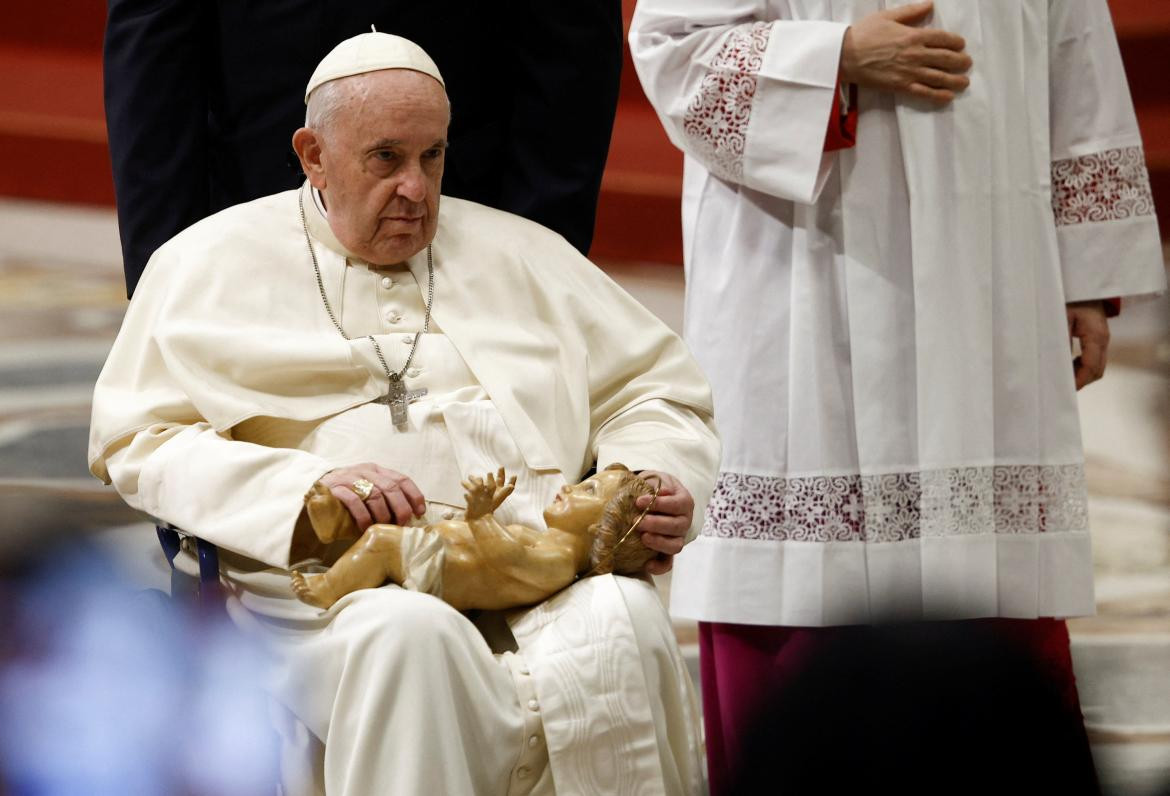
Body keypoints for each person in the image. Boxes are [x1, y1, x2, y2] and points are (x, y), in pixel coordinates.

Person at [89, 33, 719, 795]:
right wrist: (303, 492)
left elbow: (655, 389)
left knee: (624, 615)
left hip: (533, 566)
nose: (417, 190)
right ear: (313, 154)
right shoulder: (204, 264)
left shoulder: (523, 253)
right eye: (386, 158)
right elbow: (138, 439)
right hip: (328, 592)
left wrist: (644, 477)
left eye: (433, 157)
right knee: (410, 635)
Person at [630, 0, 1166, 791]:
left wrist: (1085, 276)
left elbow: (1073, 49)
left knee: (992, 587)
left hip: (988, 265)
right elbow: (674, 49)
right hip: (807, 263)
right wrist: (833, 58)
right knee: (803, 582)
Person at [103, 1, 624, 297]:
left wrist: (539, 266)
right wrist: (162, 275)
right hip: (255, 197)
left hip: (468, 213)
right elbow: (152, 43)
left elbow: (570, 50)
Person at [291, 465, 660, 611]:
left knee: (381, 541)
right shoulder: (549, 541)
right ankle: (334, 525)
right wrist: (482, 517)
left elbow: (510, 561)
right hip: (445, 552)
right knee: (408, 513)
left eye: (588, 490)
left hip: (444, 574)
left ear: (599, 529)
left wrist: (482, 517)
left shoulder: (560, 564)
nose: (569, 486)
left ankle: (327, 586)